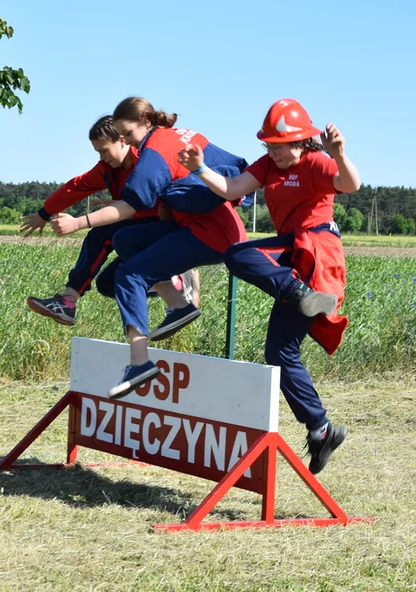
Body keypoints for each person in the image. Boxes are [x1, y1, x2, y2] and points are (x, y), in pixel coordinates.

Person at [177, 99, 361, 474]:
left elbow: (351, 184)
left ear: (301, 141)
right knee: (278, 352)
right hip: (293, 259)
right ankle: (321, 429)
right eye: (269, 145)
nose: (273, 151)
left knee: (237, 255)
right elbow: (231, 189)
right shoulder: (268, 166)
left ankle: (301, 294)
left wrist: (339, 154)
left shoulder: (316, 161)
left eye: (280, 144)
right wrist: (199, 170)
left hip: (316, 251)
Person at [51, 97, 249, 400]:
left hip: (212, 232)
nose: (127, 141)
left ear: (145, 122)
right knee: (124, 241)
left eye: (127, 134)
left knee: (129, 276)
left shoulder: (153, 154)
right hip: (207, 225)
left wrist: (79, 222)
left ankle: (140, 363)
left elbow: (129, 207)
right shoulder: (180, 134)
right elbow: (234, 168)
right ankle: (179, 303)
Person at [23, 115, 199, 326]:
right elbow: (76, 187)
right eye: (98, 152)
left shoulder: (148, 160)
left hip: (174, 231)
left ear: (122, 140)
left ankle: (69, 299)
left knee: (103, 233)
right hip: (143, 230)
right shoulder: (108, 170)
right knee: (108, 284)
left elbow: (182, 183)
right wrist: (44, 214)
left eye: (104, 151)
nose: (102, 157)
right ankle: (176, 283)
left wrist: (171, 209)